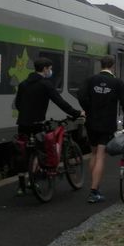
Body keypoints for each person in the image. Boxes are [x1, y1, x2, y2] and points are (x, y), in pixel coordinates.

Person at [14, 57, 84, 195]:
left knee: (22, 152)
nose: (50, 71)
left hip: (22, 124)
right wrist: (76, 113)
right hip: (37, 124)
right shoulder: (45, 84)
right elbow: (60, 102)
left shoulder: (23, 84)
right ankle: (33, 179)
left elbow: (18, 104)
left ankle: (21, 186)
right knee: (41, 150)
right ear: (45, 69)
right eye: (50, 69)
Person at [76, 54, 124, 204]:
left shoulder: (91, 80)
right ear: (113, 66)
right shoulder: (117, 83)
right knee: (101, 155)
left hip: (91, 122)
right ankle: (94, 191)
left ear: (101, 65)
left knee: (93, 153)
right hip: (106, 123)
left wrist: (88, 108)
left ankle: (94, 183)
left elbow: (81, 95)